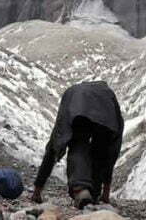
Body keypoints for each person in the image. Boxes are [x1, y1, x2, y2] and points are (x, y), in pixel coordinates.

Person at [32, 81, 124, 209]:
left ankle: (81, 190)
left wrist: (38, 188)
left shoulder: (72, 93)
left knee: (77, 144)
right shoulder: (108, 95)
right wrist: (106, 192)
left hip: (78, 108)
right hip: (107, 116)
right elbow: (112, 151)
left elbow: (55, 143)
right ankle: (94, 193)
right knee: (101, 151)